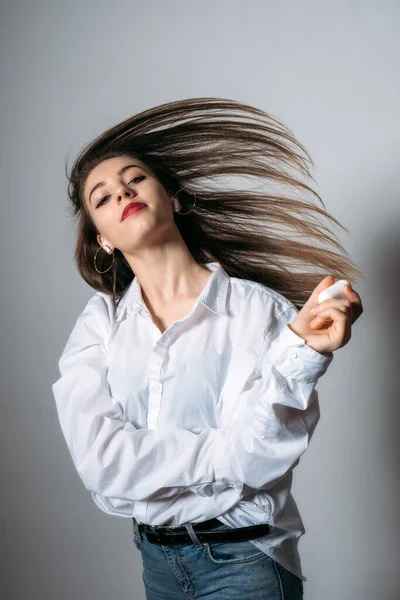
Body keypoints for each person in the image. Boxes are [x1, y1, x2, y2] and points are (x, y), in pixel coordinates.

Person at [52, 97, 363, 599]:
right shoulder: (100, 324)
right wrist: (224, 452)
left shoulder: (261, 313)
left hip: (246, 561)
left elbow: (261, 455)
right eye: (103, 198)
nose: (123, 192)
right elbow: (101, 463)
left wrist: (302, 353)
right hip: (157, 563)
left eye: (134, 179)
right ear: (102, 239)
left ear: (172, 198)